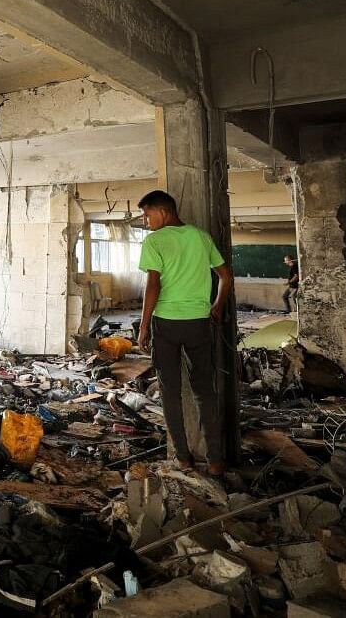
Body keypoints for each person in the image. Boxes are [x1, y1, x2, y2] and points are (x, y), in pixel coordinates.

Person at [135, 190, 234, 477]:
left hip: (165, 325)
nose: (146, 221)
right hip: (199, 324)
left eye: (147, 214)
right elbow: (225, 276)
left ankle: (183, 459)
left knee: (170, 393)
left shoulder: (154, 241)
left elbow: (153, 286)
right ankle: (215, 461)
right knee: (205, 391)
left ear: (162, 211)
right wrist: (217, 307)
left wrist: (143, 327)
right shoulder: (201, 237)